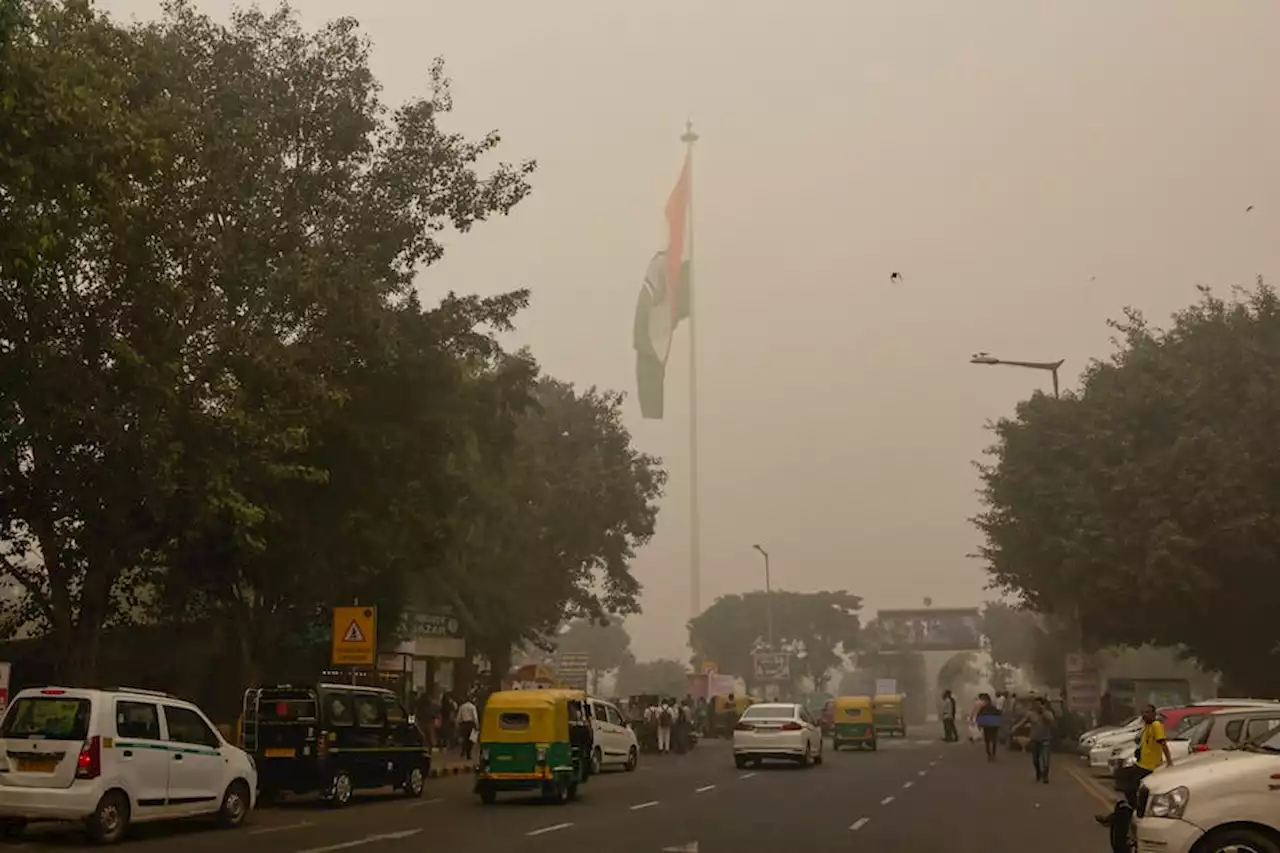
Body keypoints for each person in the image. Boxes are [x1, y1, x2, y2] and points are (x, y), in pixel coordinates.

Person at [1020, 696, 1056, 783]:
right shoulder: (1030, 714)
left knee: (1045, 759)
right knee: (1035, 759)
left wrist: (1044, 712)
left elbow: (1052, 720)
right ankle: (1038, 772)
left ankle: (1045, 776)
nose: (1037, 706)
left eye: (1039, 704)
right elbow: (1023, 721)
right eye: (1036, 704)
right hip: (1035, 739)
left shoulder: (1047, 713)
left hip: (1045, 739)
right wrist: (1014, 727)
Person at [975, 692, 1002, 761]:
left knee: (987, 741)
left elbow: (979, 716)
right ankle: (993, 754)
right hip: (994, 725)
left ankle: (989, 755)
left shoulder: (983, 708)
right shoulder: (995, 709)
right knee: (994, 740)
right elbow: (999, 716)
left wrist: (979, 725)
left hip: (987, 725)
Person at [456, 694, 478, 760]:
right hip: (471, 724)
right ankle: (469, 754)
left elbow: (459, 717)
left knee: (464, 739)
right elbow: (475, 717)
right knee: (472, 739)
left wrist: (458, 724)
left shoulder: (462, 707)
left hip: (463, 724)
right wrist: (477, 725)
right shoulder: (472, 707)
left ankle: (463, 751)